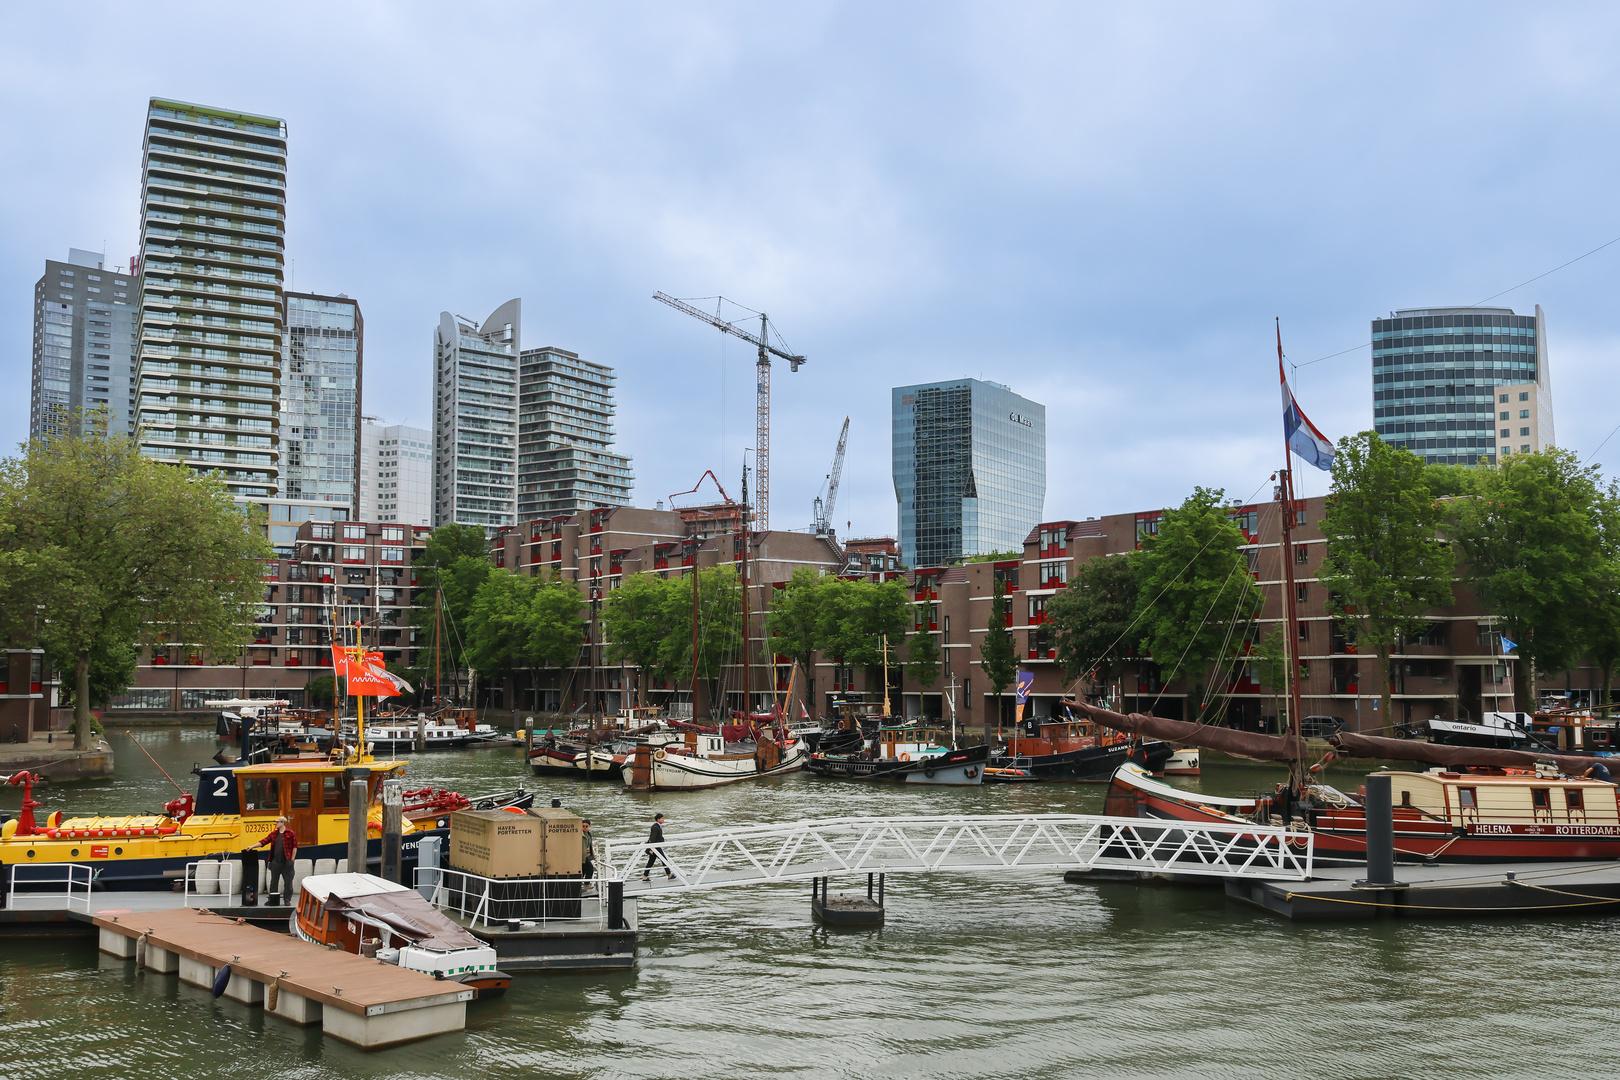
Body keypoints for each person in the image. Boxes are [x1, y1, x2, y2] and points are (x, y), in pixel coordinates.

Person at [253, 816, 298, 903]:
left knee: (288, 882)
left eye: (277, 822)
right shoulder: (274, 834)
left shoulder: (291, 833)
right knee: (273, 881)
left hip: (286, 861)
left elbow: (294, 847)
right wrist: (252, 846)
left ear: (282, 823)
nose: (276, 824)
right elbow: (264, 841)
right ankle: (272, 900)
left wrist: (292, 859)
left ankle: (287, 899)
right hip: (275, 861)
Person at [643, 812, 673, 881]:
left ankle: (645, 876)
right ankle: (669, 875)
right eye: (662, 818)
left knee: (651, 862)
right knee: (664, 860)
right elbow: (652, 838)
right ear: (658, 819)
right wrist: (650, 849)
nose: (663, 819)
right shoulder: (655, 827)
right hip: (656, 847)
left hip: (655, 847)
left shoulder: (657, 826)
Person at [580, 819, 597, 894]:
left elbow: (588, 844)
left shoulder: (588, 834)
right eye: (583, 826)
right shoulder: (580, 834)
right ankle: (586, 884)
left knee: (583, 871)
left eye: (586, 826)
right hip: (582, 856)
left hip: (586, 855)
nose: (585, 828)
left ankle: (580, 885)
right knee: (590, 868)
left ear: (589, 826)